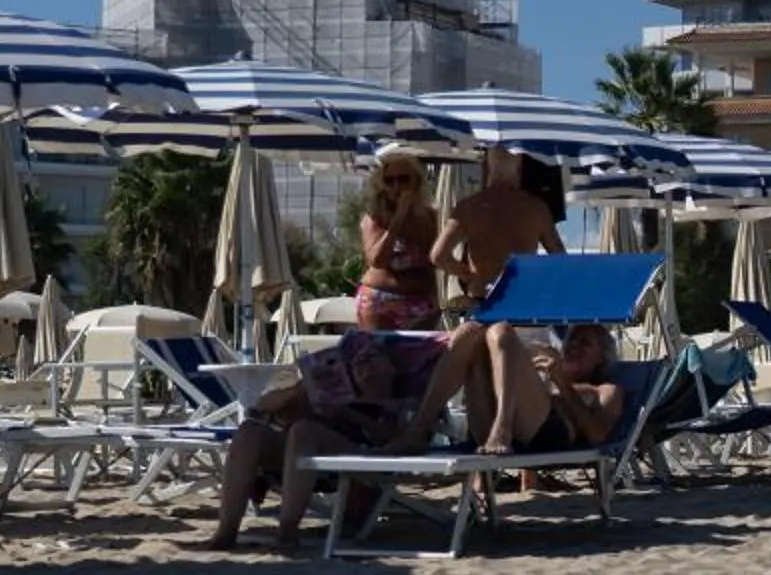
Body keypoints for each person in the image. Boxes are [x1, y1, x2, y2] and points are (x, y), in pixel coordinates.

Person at [203, 328, 448, 552]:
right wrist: (300, 389)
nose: (363, 361)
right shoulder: (337, 392)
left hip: (362, 461)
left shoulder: (405, 403)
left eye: (373, 357)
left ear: (393, 369)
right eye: (358, 360)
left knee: (304, 430)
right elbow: (258, 408)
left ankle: (287, 532)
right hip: (304, 462)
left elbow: (406, 441)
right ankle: (226, 532)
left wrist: (348, 413)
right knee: (249, 431)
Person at [384, 320, 622, 457]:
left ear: (601, 358)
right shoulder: (546, 366)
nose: (574, 347)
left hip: (548, 434)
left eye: (586, 343)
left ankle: (503, 429)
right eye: (572, 340)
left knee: (502, 331)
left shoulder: (606, 390)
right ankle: (418, 429)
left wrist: (560, 382)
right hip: (493, 428)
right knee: (470, 331)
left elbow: (598, 435)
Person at [430, 149, 564, 311]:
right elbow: (561, 259)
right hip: (521, 297)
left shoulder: (468, 207)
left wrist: (470, 276)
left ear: (486, 166)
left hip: (481, 297)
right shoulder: (536, 209)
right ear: (520, 169)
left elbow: (439, 255)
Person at [355, 145, 442, 330]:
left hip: (422, 303)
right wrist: (398, 218)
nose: (397, 187)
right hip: (382, 302)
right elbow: (377, 260)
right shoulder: (375, 218)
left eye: (403, 180)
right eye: (390, 181)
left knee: (421, 357)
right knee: (379, 356)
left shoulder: (430, 218)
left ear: (416, 182)